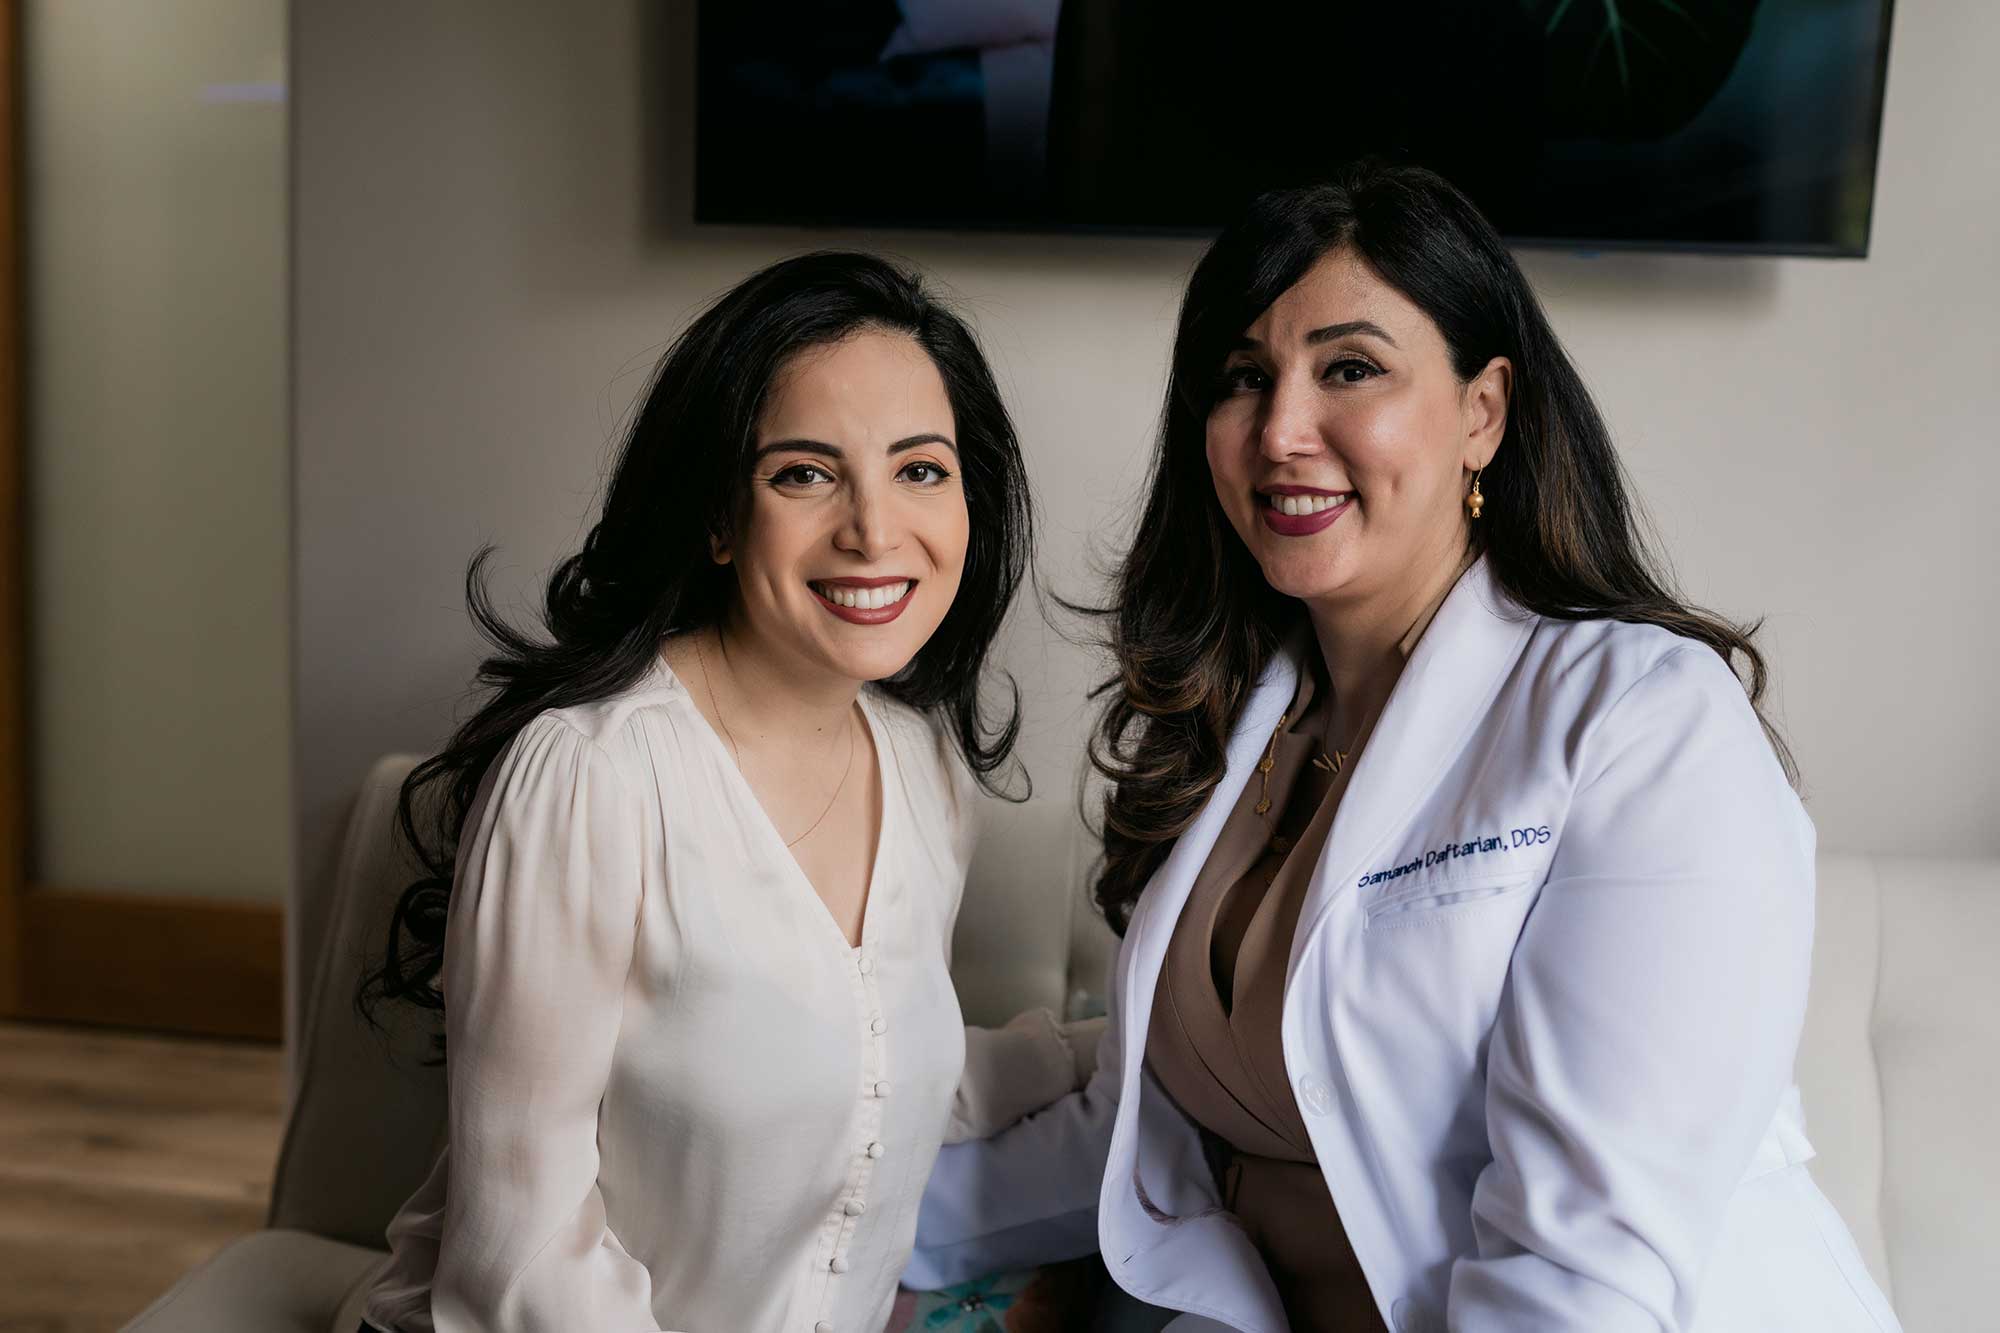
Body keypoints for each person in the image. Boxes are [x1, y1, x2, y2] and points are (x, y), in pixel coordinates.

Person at [909, 164, 1901, 1333]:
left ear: (1482, 412)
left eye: (1349, 368)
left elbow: (1579, 1278)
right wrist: (798, 1226)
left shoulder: (1642, 719)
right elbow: (1149, 1137)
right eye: (1242, 377)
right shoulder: (1235, 731)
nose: (1280, 429)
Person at [354, 251, 1089, 1333]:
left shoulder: (924, 769)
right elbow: (521, 1258)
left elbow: (866, 1060)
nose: (875, 531)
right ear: (715, 516)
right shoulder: (590, 776)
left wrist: (1110, 1052)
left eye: (920, 470)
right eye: (803, 473)